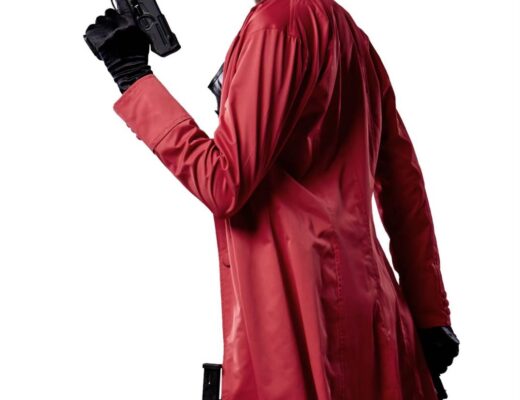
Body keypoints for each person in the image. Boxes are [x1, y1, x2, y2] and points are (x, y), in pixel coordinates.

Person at [84, 0, 460, 399]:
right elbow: (403, 184)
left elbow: (223, 183)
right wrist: (429, 313)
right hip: (372, 310)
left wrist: (132, 77)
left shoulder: (276, 25)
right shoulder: (351, 35)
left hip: (298, 306)